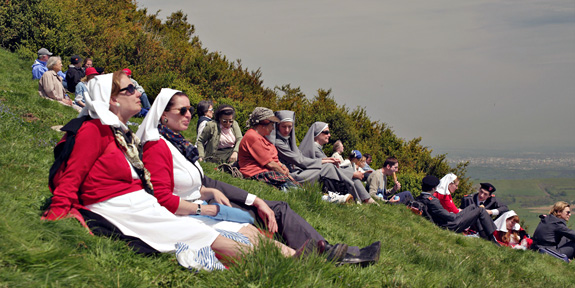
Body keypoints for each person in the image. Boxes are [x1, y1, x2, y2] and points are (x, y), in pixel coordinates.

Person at [41, 71, 274, 272]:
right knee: (201, 235)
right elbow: (71, 177)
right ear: (113, 100)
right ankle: (276, 268)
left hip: (139, 204)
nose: (137, 91)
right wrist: (57, 217)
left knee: (203, 232)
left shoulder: (119, 134)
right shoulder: (94, 130)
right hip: (120, 207)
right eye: (130, 88)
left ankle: (277, 263)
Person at [135, 90, 383, 265]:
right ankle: (326, 253)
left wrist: (254, 199)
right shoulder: (159, 147)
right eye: (183, 110)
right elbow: (163, 197)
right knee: (279, 208)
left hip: (210, 201)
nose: (189, 114)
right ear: (163, 115)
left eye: (190, 109)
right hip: (202, 208)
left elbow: (206, 182)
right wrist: (207, 206)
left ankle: (330, 251)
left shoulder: (177, 144)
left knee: (277, 206)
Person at [267, 110, 353, 204]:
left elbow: (300, 157)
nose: (287, 130)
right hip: (291, 176)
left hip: (297, 172)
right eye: (284, 126)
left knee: (329, 166)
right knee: (328, 167)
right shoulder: (279, 142)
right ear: (277, 125)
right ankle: (349, 193)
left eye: (290, 126)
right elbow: (299, 160)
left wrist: (325, 159)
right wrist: (322, 161)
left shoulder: (287, 140)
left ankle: (350, 194)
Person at [299, 122, 376, 204]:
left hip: (321, 177)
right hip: (314, 180)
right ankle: (366, 199)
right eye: (326, 132)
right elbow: (328, 168)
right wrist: (353, 174)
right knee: (351, 173)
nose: (329, 135)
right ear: (317, 133)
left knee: (349, 170)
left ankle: (365, 198)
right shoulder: (313, 149)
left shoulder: (316, 148)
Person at [416, 175, 499, 243]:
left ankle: (485, 235)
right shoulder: (433, 201)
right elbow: (450, 217)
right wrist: (458, 214)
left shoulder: (419, 198)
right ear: (433, 188)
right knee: (480, 210)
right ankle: (491, 237)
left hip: (446, 222)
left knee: (473, 207)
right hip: (450, 225)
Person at [238, 107, 299, 190]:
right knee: (289, 185)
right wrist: (283, 173)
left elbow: (274, 161)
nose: (273, 128)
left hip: (265, 171)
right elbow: (270, 163)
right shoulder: (252, 137)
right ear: (264, 123)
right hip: (255, 173)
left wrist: (283, 167)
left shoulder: (262, 138)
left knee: (293, 184)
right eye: (272, 125)